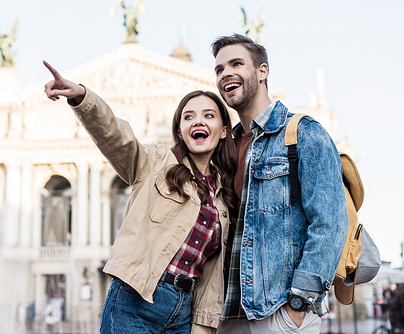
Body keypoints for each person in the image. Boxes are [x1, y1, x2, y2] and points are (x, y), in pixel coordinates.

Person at [43, 60, 239, 334]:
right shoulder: (156, 162)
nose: (198, 121)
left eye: (209, 115)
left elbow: (214, 272)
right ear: (180, 130)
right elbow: (115, 136)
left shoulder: (225, 194)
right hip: (135, 300)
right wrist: (81, 97)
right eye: (188, 116)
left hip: (184, 310)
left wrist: (204, 324)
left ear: (224, 130)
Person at [211, 34, 349, 333]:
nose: (226, 74)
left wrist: (298, 304)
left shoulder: (303, 133)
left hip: (277, 310)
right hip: (227, 311)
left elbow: (331, 223)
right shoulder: (227, 147)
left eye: (237, 63)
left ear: (263, 71)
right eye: (219, 69)